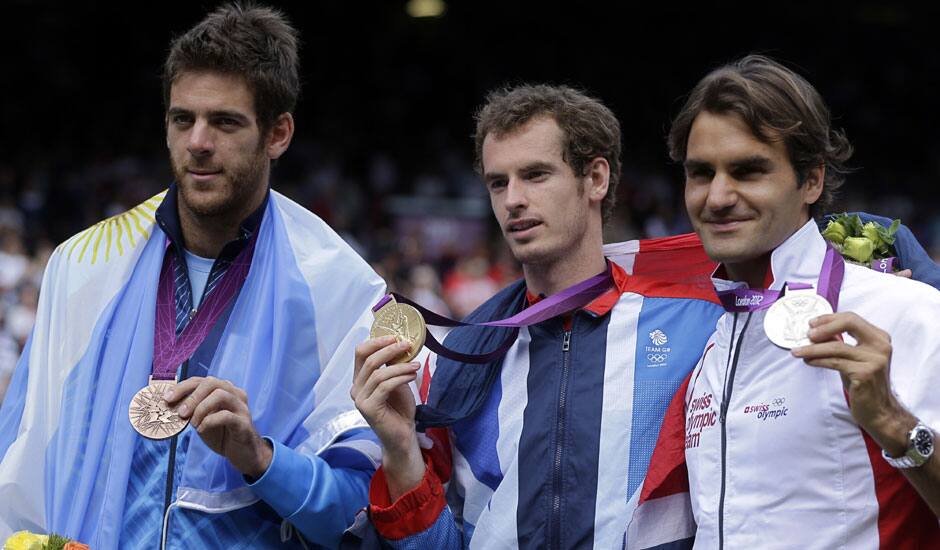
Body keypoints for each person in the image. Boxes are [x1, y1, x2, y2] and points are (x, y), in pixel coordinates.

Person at [0, 4, 386, 548]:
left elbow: (361, 513)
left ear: (278, 134)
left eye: (225, 122)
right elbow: (15, 462)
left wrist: (261, 458)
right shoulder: (83, 266)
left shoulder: (339, 289)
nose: (198, 142)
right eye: (183, 119)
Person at [352, 84, 725, 548]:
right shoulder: (460, 356)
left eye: (535, 175)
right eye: (498, 182)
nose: (513, 200)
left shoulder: (698, 328)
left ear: (596, 179)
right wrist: (401, 447)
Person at [666, 55, 940, 547]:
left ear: (811, 180)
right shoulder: (712, 346)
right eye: (702, 173)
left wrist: (895, 426)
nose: (719, 196)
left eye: (749, 171)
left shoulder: (906, 312)